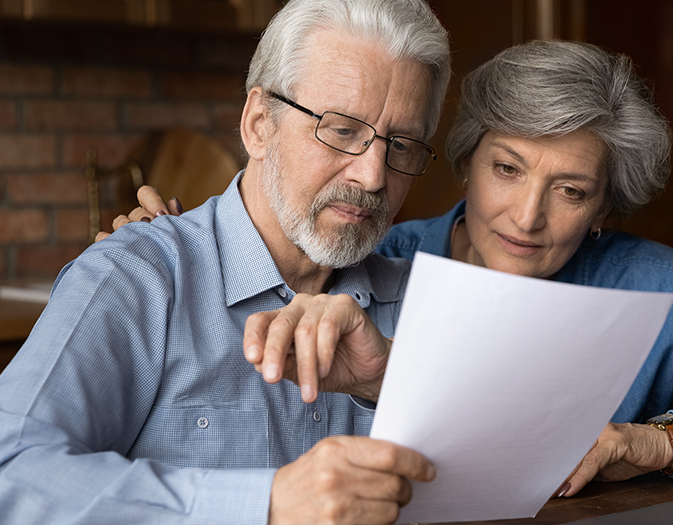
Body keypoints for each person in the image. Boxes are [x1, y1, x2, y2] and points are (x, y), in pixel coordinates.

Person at [120, 39, 673, 499]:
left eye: (571, 190)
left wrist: (655, 442)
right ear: (466, 160)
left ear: (603, 206)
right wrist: (180, 253)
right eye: (507, 169)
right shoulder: (373, 261)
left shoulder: (665, 288)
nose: (527, 216)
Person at [0, 0, 451, 523]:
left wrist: (393, 379)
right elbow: (12, 471)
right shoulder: (138, 279)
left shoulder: (425, 299)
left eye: (401, 144)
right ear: (259, 124)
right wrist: (267, 504)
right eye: (342, 130)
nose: (373, 176)